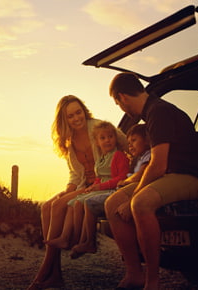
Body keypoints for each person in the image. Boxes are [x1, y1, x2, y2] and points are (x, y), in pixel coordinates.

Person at [105, 73, 198, 290]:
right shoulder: (153, 112)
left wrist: (133, 196)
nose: (121, 108)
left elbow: (158, 164)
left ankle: (152, 281)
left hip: (191, 178)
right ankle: (135, 274)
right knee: (112, 204)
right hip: (168, 176)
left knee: (140, 203)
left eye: (118, 103)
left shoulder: (159, 112)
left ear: (122, 98)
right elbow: (156, 166)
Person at [28, 96, 126, 290]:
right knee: (47, 206)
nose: (76, 118)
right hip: (84, 184)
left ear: (84, 111)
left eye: (78, 112)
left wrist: (127, 173)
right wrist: (67, 191)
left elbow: (123, 141)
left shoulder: (98, 127)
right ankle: (55, 274)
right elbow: (75, 173)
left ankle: (46, 269)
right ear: (64, 120)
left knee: (57, 206)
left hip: (103, 184)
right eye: (70, 116)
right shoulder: (68, 140)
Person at [45, 121, 129, 255]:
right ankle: (67, 237)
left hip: (111, 190)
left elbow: (122, 178)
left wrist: (99, 186)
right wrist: (94, 186)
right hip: (100, 188)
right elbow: (99, 176)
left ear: (115, 138)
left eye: (110, 137)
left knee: (81, 202)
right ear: (97, 142)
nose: (107, 140)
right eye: (103, 138)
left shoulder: (118, 155)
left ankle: (82, 240)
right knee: (73, 202)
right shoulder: (102, 158)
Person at [69, 123, 151, 258]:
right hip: (118, 188)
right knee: (78, 202)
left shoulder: (125, 156)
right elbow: (99, 178)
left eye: (134, 141)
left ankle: (88, 241)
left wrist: (124, 182)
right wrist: (91, 187)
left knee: (89, 203)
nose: (130, 145)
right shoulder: (132, 158)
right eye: (129, 142)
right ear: (97, 142)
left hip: (118, 189)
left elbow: (129, 176)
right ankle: (78, 239)